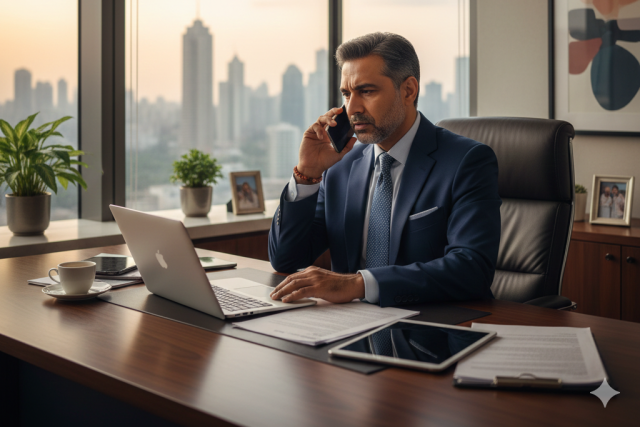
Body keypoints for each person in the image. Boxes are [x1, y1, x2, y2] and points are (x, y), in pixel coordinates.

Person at [268, 32, 501, 307]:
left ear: (408, 91)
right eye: (346, 93)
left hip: (431, 328)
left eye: (366, 91)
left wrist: (358, 284)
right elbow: (286, 259)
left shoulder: (467, 161)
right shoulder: (341, 168)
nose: (352, 108)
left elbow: (471, 270)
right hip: (348, 328)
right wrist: (307, 174)